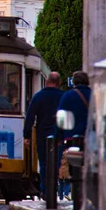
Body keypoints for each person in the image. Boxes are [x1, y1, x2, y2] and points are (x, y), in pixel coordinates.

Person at [23, 71, 64, 199]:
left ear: (47, 82)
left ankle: (45, 191)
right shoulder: (63, 97)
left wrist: (27, 135)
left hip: (42, 135)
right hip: (58, 136)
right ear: (59, 83)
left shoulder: (38, 97)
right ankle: (53, 188)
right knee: (56, 163)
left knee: (44, 163)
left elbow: (30, 117)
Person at [56, 71, 91, 201]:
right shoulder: (95, 95)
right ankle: (86, 193)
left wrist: (59, 136)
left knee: (74, 166)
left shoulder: (67, 96)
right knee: (88, 165)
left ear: (74, 82)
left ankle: (76, 192)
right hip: (90, 138)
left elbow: (60, 118)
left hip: (71, 138)